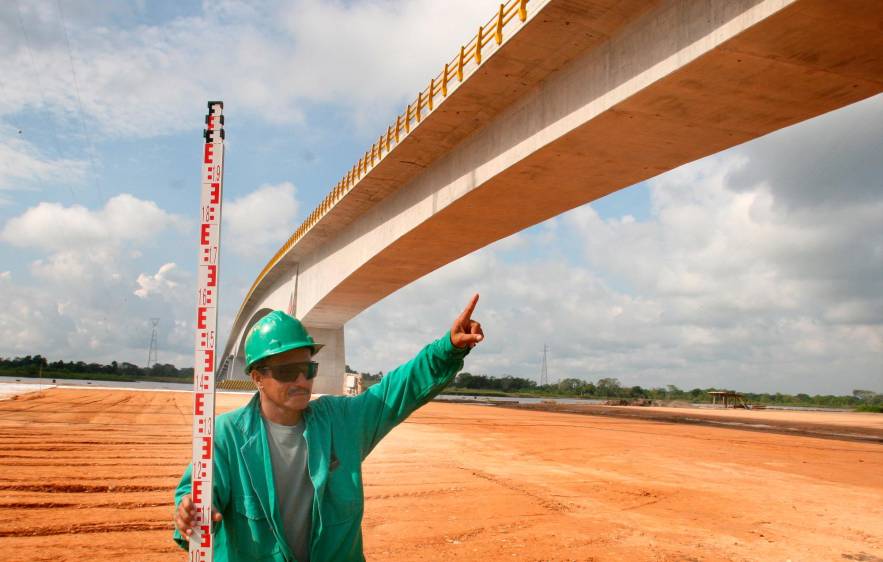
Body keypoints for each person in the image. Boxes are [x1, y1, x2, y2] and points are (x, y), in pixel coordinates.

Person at [173, 294, 484, 561]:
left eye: (308, 369)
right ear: (257, 377)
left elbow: (396, 390)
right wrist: (189, 509)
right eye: (286, 372)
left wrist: (449, 350)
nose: (301, 381)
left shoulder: (340, 421)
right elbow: (196, 493)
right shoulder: (226, 435)